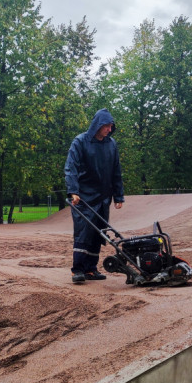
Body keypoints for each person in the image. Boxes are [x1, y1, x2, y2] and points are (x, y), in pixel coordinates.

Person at [65, 109, 125, 284]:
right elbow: (71, 168)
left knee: (99, 233)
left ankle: (91, 269)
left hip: (103, 196)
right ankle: (78, 270)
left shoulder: (111, 144)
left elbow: (116, 171)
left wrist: (118, 195)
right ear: (97, 125)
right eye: (106, 126)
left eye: (111, 126)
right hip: (83, 197)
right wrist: (73, 191)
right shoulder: (80, 142)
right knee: (84, 232)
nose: (109, 129)